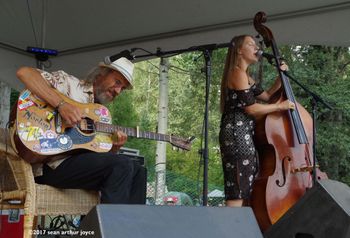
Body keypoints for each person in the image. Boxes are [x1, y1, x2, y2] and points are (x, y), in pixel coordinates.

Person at [15, 57, 146, 204]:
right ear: (102, 73)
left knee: (139, 171)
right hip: (49, 164)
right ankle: (109, 225)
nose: (118, 91)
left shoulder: (102, 115)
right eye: (117, 82)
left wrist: (114, 148)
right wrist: (61, 105)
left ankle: (130, 225)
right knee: (123, 164)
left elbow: (98, 159)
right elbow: (24, 73)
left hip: (76, 167)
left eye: (122, 88)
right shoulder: (68, 83)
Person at [219, 35, 295, 207]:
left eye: (256, 44)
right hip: (236, 135)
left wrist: (281, 77)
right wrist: (280, 107)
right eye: (250, 44)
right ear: (239, 50)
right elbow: (251, 108)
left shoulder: (245, 76)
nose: (256, 48)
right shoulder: (236, 73)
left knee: (244, 184)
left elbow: (267, 96)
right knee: (238, 187)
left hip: (243, 135)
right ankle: (231, 229)